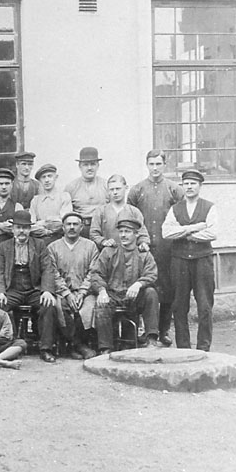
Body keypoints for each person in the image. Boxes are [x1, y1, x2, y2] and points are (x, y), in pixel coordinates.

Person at [128, 149, 184, 346]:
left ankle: (164, 330)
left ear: (164, 165)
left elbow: (182, 217)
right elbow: (130, 219)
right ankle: (144, 330)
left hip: (168, 248)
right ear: (146, 165)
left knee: (167, 289)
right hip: (143, 248)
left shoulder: (174, 190)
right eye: (151, 164)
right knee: (145, 288)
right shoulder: (137, 190)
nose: (155, 168)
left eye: (158, 164)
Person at [0, 210, 58, 363]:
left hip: (33, 288)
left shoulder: (39, 245)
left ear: (30, 229)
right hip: (13, 288)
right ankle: (10, 347)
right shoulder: (4, 247)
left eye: (25, 228)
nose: (22, 231)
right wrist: (0, 292)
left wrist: (47, 290)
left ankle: (46, 348)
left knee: (48, 306)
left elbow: (47, 269)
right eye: (18, 227)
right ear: (13, 229)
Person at [162, 169, 217, 351]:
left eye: (193, 183)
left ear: (200, 186)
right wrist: (193, 228)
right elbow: (166, 232)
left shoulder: (209, 207)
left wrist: (183, 233)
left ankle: (204, 348)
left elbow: (212, 233)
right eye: (186, 183)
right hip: (180, 262)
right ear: (182, 186)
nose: (189, 187)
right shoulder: (175, 209)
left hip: (202, 261)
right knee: (179, 305)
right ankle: (183, 348)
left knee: (205, 306)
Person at [91, 218, 160, 353]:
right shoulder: (109, 252)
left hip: (135, 298)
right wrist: (102, 291)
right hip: (113, 295)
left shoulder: (144, 254)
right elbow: (96, 274)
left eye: (127, 231)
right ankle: (105, 348)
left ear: (136, 234)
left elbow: (152, 274)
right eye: (121, 231)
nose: (123, 235)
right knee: (102, 304)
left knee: (151, 293)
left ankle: (151, 339)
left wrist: (139, 284)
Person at [47, 213, 99, 359]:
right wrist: (67, 294)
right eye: (68, 224)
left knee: (88, 308)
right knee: (60, 307)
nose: (71, 227)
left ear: (81, 227)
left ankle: (79, 344)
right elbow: (52, 273)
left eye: (75, 224)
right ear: (63, 227)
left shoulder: (91, 246)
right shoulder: (53, 247)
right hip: (62, 292)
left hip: (85, 292)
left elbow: (93, 272)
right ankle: (75, 345)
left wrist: (82, 292)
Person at [90, 175, 150, 251]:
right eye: (112, 189)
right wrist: (104, 242)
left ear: (126, 188)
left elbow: (142, 234)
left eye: (118, 189)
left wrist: (143, 243)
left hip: (129, 254)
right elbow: (94, 234)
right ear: (108, 191)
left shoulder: (134, 211)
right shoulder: (100, 211)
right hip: (107, 253)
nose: (115, 192)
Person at [64, 146, 109, 238]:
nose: (89, 168)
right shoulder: (71, 187)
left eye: (92, 164)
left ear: (98, 165)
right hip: (80, 231)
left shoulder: (106, 185)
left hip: (102, 229)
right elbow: (66, 214)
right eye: (85, 164)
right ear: (80, 166)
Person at [29, 164, 72, 245]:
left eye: (49, 176)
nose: (47, 180)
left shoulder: (64, 197)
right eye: (43, 177)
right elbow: (30, 225)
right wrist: (50, 223)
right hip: (39, 241)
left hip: (60, 239)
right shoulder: (35, 200)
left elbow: (65, 222)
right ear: (40, 181)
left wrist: (41, 223)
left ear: (56, 177)